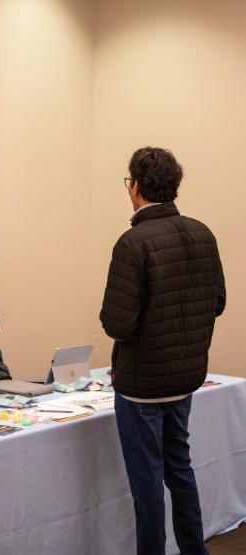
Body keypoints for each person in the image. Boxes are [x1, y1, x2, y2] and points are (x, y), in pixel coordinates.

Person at [100, 147, 226, 555]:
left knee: (147, 483)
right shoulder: (203, 232)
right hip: (186, 377)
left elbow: (119, 323)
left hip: (142, 388)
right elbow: (218, 301)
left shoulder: (133, 242)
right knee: (180, 469)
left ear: (134, 187)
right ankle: (195, 550)